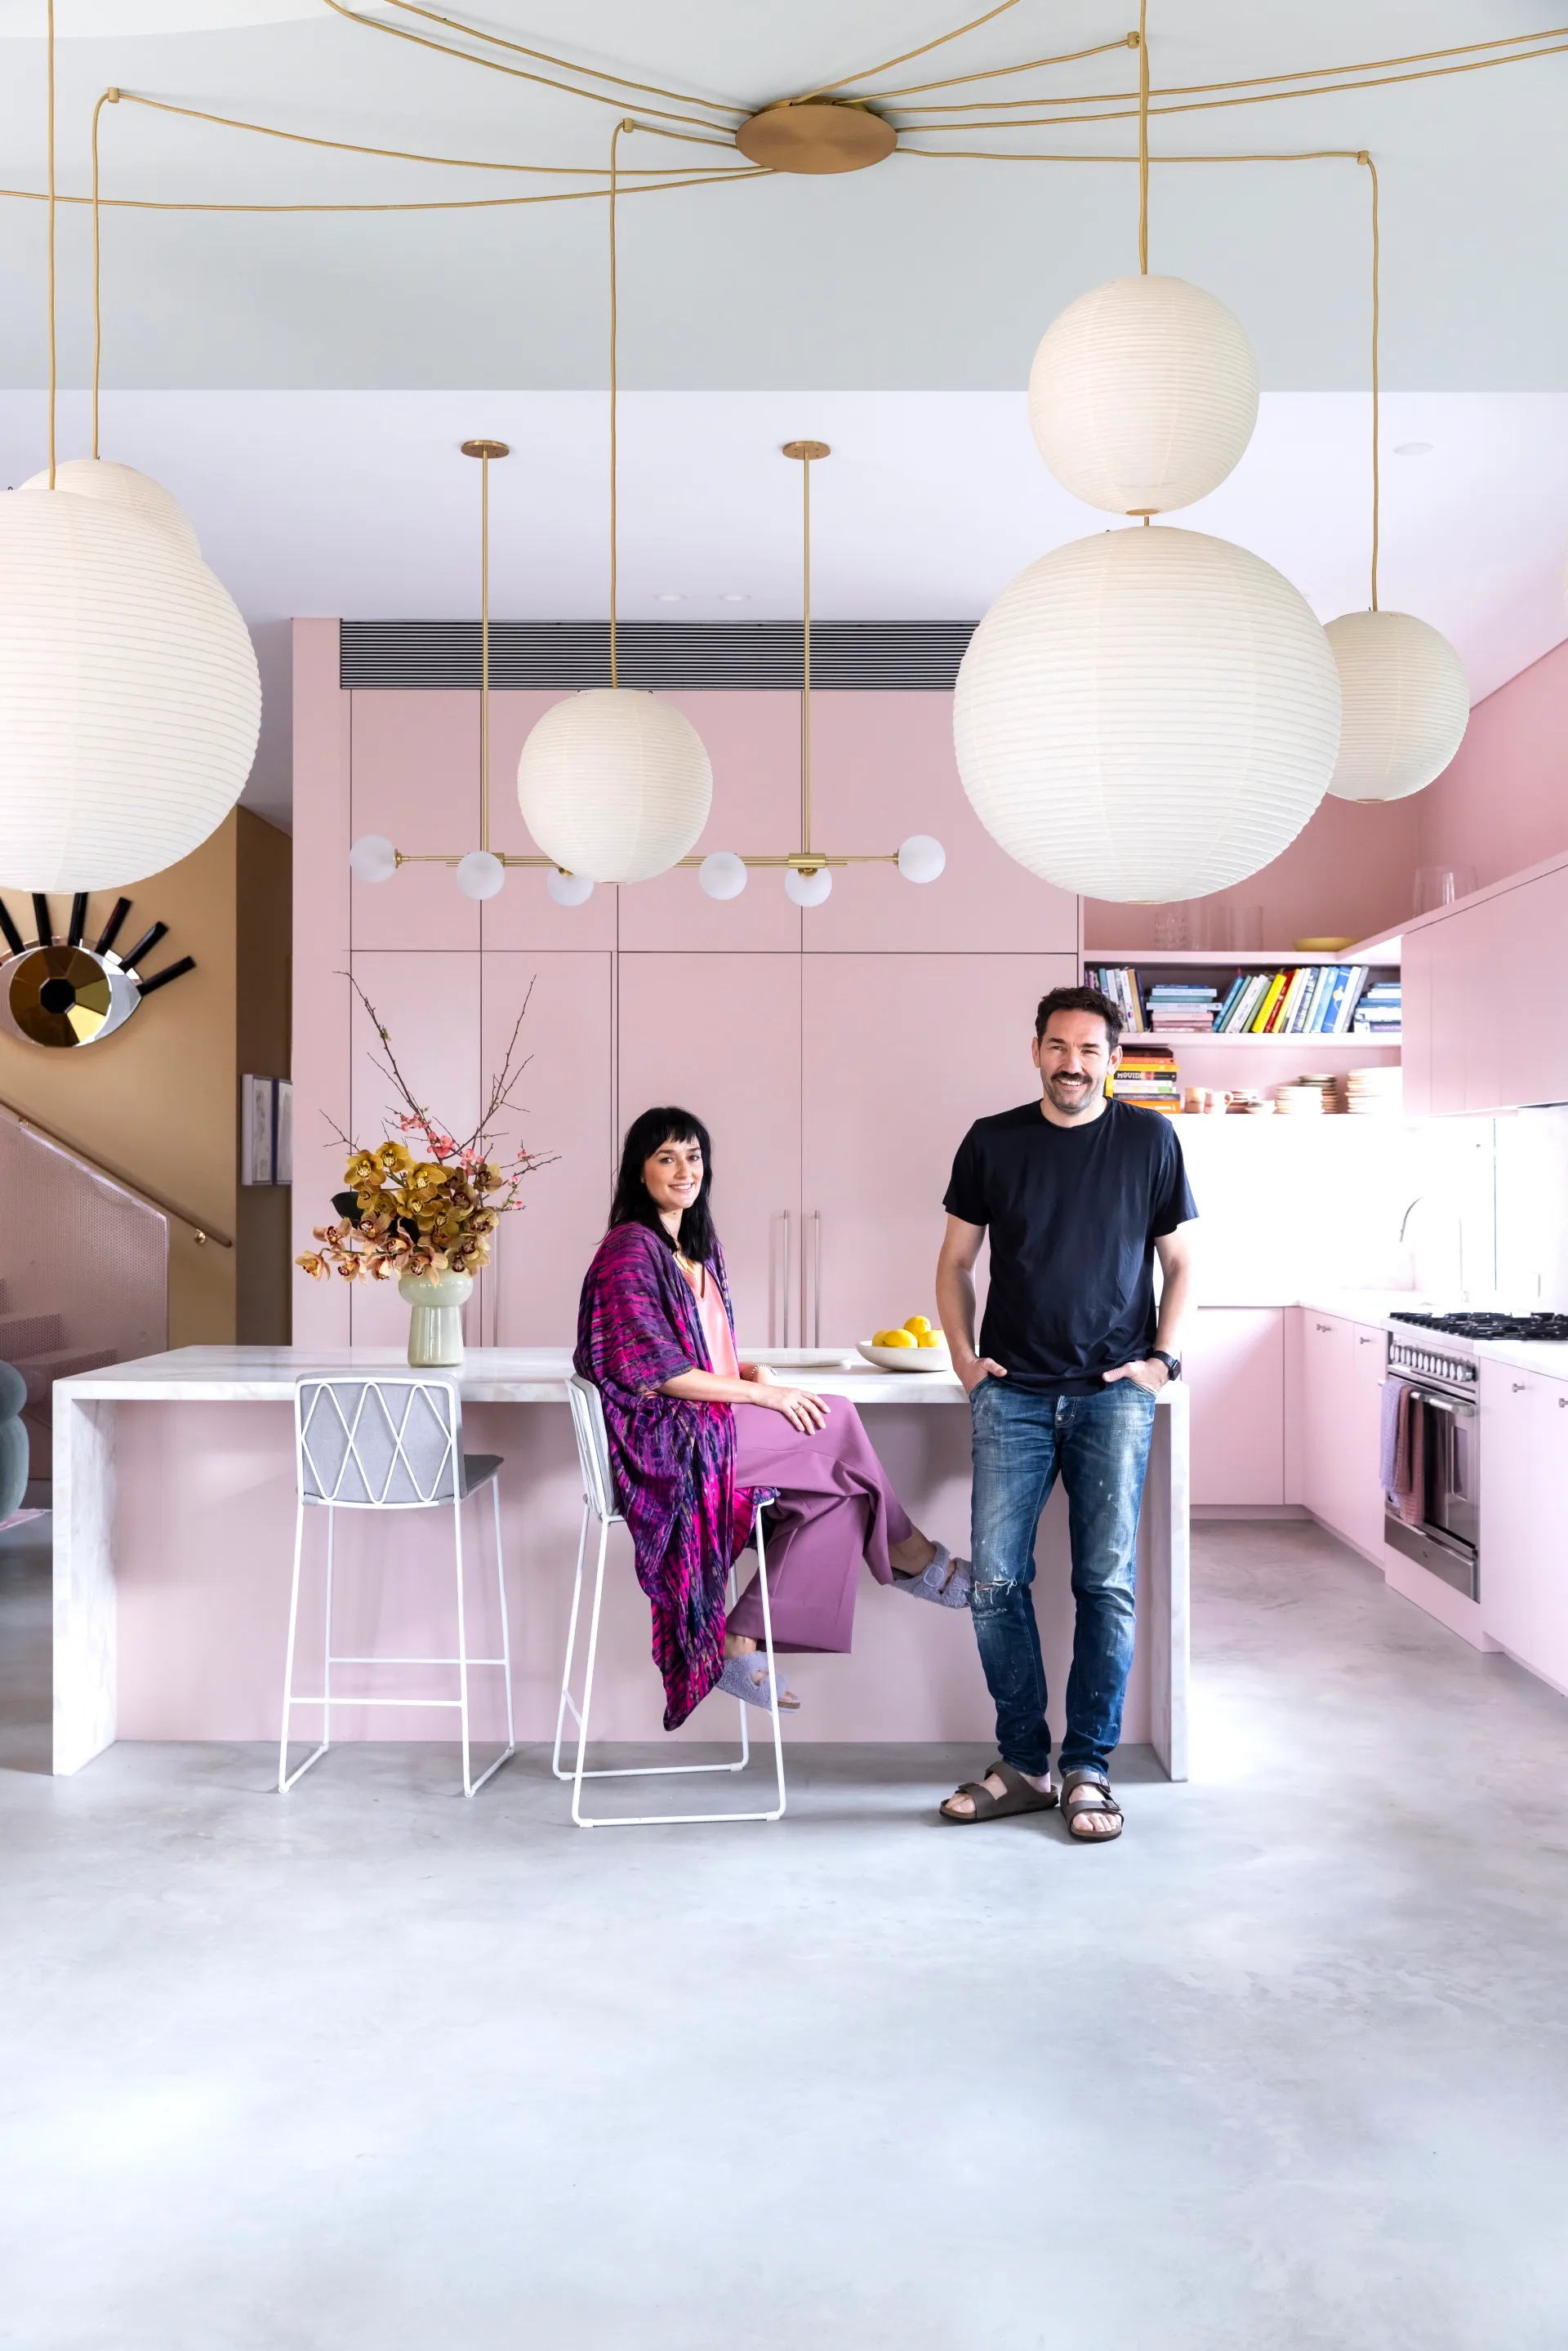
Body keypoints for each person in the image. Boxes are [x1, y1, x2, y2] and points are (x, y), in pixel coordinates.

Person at [575, 1106, 969, 1732]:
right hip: (664, 1441)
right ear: (639, 1171)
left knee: (838, 1501)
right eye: (667, 1158)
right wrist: (761, 1397)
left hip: (707, 1421)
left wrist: (750, 1372)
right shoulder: (631, 1249)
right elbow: (654, 1369)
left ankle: (741, 1643)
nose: (685, 1170)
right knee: (835, 1416)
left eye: (694, 1156)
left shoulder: (697, 1248)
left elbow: (695, 1349)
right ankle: (913, 1553)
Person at [934, 986, 1196, 1842]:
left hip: (1114, 1396)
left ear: (1113, 1059)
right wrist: (968, 1363)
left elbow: (1182, 1264)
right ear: (1036, 1049)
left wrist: (1158, 1362)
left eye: (1089, 1048)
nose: (1072, 1062)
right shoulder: (992, 1140)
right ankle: (1023, 1763)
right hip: (1011, 1393)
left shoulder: (1151, 1140)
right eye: (1058, 1045)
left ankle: (1088, 1768)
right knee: (996, 1583)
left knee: (1105, 1586)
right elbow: (955, 1262)